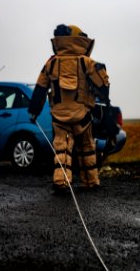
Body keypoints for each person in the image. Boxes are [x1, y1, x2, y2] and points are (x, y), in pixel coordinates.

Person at [28, 24, 110, 192]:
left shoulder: (51, 63)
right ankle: (90, 181)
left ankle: (61, 182)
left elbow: (40, 88)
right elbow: (103, 84)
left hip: (59, 117)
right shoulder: (86, 62)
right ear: (79, 40)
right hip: (82, 115)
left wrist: (34, 111)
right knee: (87, 147)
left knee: (61, 149)